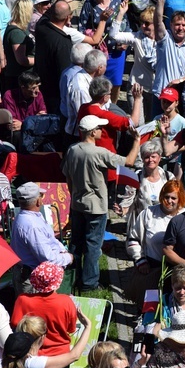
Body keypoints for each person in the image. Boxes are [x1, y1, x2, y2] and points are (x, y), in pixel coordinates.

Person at [61, 115, 139, 290]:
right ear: (92, 132)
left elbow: (68, 177)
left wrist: (74, 195)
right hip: (96, 207)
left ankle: (72, 277)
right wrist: (136, 141)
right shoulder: (99, 153)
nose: (101, 131)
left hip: (77, 204)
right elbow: (129, 162)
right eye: (99, 128)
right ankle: (90, 284)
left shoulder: (73, 150)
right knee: (93, 246)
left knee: (76, 243)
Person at [10, 262, 77, 368]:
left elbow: (15, 324)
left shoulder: (22, 299)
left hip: (31, 355)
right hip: (60, 355)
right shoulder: (66, 301)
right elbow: (71, 328)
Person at [9, 182, 72, 292]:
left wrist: (61, 249)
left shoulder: (26, 216)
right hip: (35, 279)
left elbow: (50, 238)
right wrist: (69, 258)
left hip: (29, 273)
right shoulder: (33, 226)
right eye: (41, 196)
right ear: (38, 201)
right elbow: (47, 258)